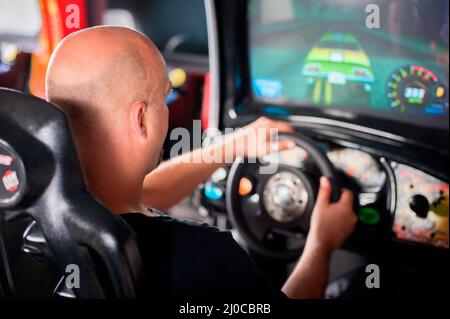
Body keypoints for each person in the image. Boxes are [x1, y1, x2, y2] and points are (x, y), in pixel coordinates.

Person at [45, 26, 357, 299]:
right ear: (141, 118)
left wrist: (229, 148)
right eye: (163, 97)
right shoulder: (203, 254)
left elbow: (146, 193)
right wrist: (321, 243)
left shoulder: (32, 217)